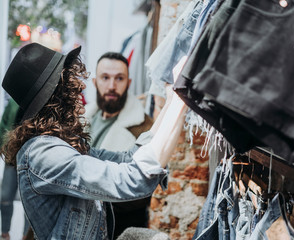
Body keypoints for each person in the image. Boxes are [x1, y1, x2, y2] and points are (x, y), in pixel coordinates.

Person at [0, 43, 187, 240]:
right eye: (70, 84)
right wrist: (180, 101)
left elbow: (128, 158)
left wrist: (170, 100)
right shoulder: (45, 154)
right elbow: (132, 179)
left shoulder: (60, 143)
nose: (80, 87)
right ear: (56, 97)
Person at [85, 52, 153, 236]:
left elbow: (141, 192)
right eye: (105, 78)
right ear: (94, 82)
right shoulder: (80, 120)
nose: (112, 86)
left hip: (118, 227)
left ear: (129, 83)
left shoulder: (144, 129)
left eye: (119, 78)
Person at [0, 98, 30, 240]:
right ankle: (4, 233)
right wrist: (3, 146)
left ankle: (27, 235)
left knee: (30, 201)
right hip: (12, 157)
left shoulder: (38, 100)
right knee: (5, 197)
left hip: (31, 159)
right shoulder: (13, 102)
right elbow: (3, 125)